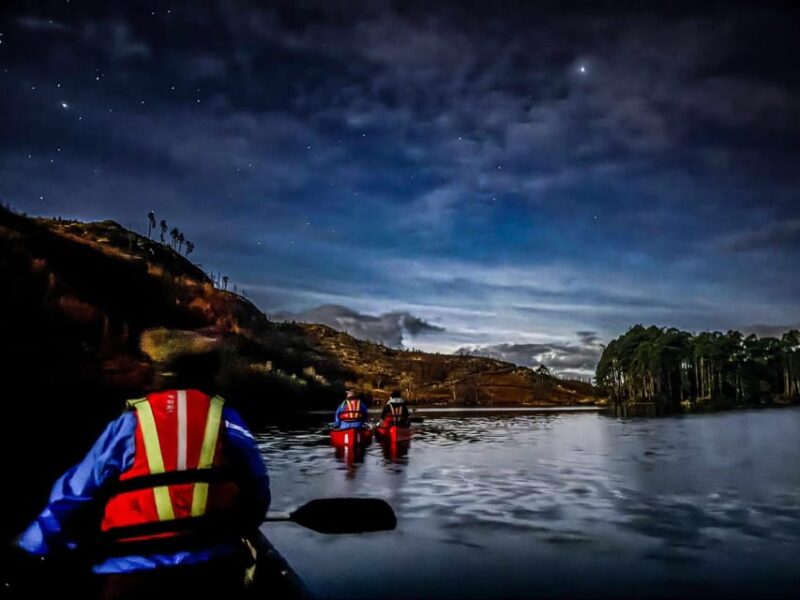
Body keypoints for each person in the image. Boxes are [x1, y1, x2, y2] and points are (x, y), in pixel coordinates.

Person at [14, 330, 270, 598]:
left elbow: (74, 492)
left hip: (132, 577)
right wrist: (241, 526)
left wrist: (32, 544)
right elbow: (258, 490)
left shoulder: (130, 422)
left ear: (160, 373)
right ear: (207, 374)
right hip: (210, 573)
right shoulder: (228, 419)